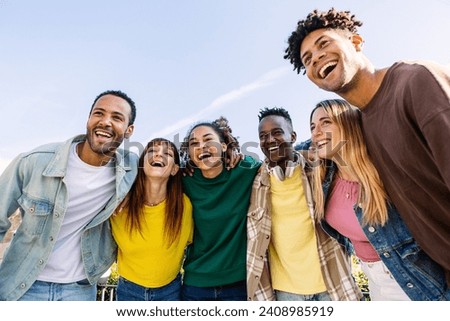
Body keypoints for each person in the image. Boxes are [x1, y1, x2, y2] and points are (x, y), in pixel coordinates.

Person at [284, 8, 450, 288]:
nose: (317, 58)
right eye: (307, 59)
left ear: (357, 42)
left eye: (324, 43)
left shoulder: (415, 82)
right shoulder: (360, 126)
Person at [0, 90, 138, 301]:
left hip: (79, 290)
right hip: (23, 285)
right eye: (98, 113)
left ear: (129, 130)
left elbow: (170, 170)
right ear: (89, 119)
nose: (105, 122)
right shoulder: (34, 162)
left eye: (116, 118)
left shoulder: (130, 168)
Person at [306, 99, 449, 300]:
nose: (315, 132)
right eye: (313, 126)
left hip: (408, 275)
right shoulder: (325, 177)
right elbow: (285, 148)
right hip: (371, 277)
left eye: (325, 122)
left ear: (348, 124)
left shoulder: (385, 171)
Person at [247, 106, 361, 301]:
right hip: (286, 291)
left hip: (332, 283)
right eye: (263, 136)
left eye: (277, 132)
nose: (270, 140)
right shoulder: (255, 180)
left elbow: (339, 140)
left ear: (292, 136)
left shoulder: (319, 168)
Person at [180, 116, 261, 301]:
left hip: (240, 284)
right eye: (194, 143)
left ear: (224, 146)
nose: (201, 146)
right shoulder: (183, 181)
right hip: (196, 285)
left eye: (208, 140)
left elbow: (280, 164)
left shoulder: (246, 169)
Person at [110, 138, 193, 301]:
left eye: (167, 153)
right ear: (140, 164)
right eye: (152, 151)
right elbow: (107, 157)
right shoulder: (119, 203)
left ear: (175, 169)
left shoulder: (184, 206)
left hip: (171, 290)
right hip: (128, 290)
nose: (158, 155)